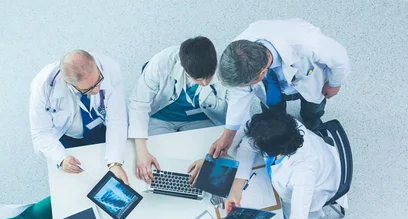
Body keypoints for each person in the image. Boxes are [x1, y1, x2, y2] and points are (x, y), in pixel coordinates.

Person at [207, 18, 350, 160]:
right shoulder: (236, 55)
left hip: (310, 81)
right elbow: (238, 97)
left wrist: (334, 83)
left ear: (262, 73)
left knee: (313, 109)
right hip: (273, 86)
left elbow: (340, 58)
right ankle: (281, 127)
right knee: (273, 113)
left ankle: (314, 125)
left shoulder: (308, 42)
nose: (243, 89)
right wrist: (227, 136)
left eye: (247, 85)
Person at [225, 112, 347, 219]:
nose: (253, 144)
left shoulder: (303, 173)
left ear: (272, 151)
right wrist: (236, 190)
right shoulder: (284, 126)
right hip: (320, 156)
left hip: (320, 184)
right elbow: (248, 146)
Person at [128, 37, 228, 183]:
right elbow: (138, 103)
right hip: (162, 116)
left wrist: (210, 158)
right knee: (155, 167)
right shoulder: (161, 63)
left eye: (209, 77)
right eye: (198, 79)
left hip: (201, 118)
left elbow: (237, 112)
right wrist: (141, 151)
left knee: (203, 169)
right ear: (183, 67)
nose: (205, 83)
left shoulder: (225, 67)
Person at [29, 49, 129, 184]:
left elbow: (117, 119)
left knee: (105, 168)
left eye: (99, 81)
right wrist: (61, 159)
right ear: (67, 82)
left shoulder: (110, 68)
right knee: (79, 182)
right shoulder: (43, 86)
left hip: (98, 126)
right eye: (88, 89)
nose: (97, 90)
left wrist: (115, 162)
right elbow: (40, 133)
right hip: (67, 135)